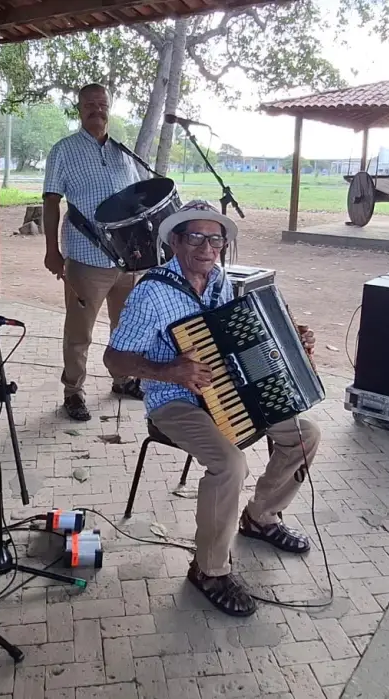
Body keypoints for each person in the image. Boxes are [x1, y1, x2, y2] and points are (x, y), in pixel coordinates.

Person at [103, 201, 320, 618]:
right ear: (175, 242)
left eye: (215, 238)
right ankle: (208, 570)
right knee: (229, 463)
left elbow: (241, 339)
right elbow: (114, 360)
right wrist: (170, 370)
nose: (208, 247)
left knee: (305, 434)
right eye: (196, 237)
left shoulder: (220, 281)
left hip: (228, 390)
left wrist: (292, 339)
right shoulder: (151, 292)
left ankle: (260, 517)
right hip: (174, 401)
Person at [43, 83, 144, 422]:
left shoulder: (121, 152)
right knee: (79, 332)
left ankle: (123, 378)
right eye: (89, 104)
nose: (96, 110)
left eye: (102, 104)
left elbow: (137, 200)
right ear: (79, 109)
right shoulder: (64, 150)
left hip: (126, 259)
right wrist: (51, 251)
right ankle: (73, 392)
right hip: (86, 257)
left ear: (109, 108)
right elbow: (51, 201)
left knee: (125, 326)